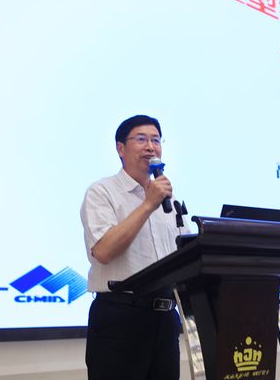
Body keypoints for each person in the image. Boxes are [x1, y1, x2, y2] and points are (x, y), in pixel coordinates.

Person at [80, 115, 188, 380]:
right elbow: (104, 251)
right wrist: (148, 204)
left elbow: (184, 257)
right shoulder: (102, 192)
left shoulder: (170, 200)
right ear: (121, 148)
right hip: (120, 318)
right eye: (141, 139)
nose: (151, 147)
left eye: (156, 140)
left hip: (165, 320)